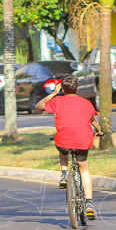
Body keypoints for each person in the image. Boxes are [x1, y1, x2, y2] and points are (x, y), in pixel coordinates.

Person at [36, 75, 103, 221]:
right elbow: (93, 120)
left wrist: (54, 93)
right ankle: (89, 203)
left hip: (63, 141)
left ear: (63, 89)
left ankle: (64, 173)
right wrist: (99, 130)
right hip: (83, 141)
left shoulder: (58, 101)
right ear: (77, 88)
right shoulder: (86, 103)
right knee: (84, 169)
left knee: (62, 145)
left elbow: (39, 105)